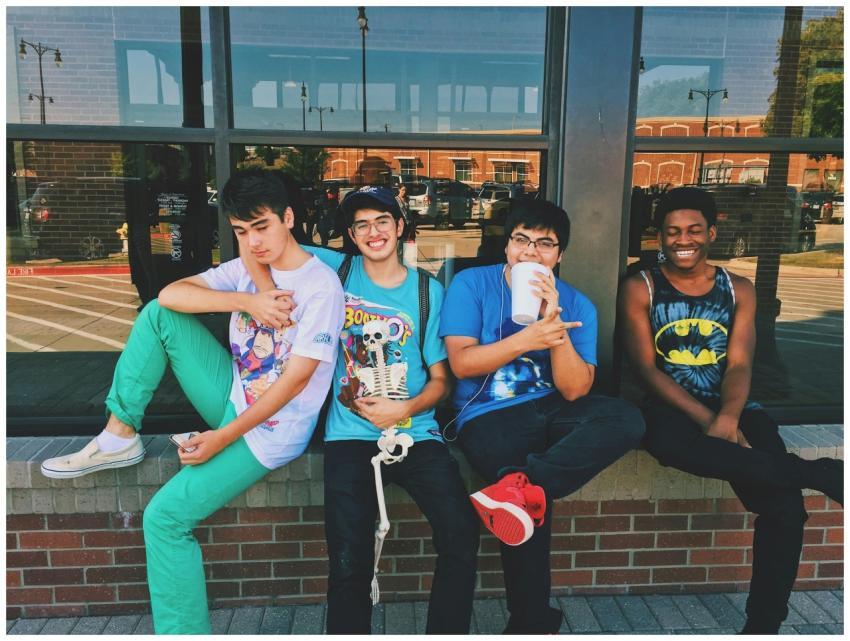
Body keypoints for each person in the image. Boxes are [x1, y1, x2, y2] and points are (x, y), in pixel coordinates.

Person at [39, 168, 345, 634]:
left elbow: (297, 381)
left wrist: (221, 438)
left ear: (288, 218)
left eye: (261, 227)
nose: (253, 241)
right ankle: (119, 434)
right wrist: (249, 301)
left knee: (164, 519)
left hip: (271, 430)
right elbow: (170, 294)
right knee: (158, 314)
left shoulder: (320, 286)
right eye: (241, 231)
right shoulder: (247, 269)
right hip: (231, 393)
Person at [246, 185, 479, 634]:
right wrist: (262, 296)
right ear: (351, 236)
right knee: (348, 558)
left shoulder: (428, 291)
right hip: (350, 436)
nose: (374, 232)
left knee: (460, 533)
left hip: (415, 432)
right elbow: (262, 248)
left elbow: (442, 380)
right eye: (362, 225)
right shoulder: (334, 270)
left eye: (382, 221)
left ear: (400, 226)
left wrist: (404, 408)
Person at [618, 186, 843, 635]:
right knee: (666, 442)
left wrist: (729, 415)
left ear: (711, 233)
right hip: (669, 406)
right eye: (673, 231)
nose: (683, 239)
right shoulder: (641, 287)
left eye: (694, 229)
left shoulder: (738, 289)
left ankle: (763, 626)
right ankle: (818, 473)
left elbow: (740, 364)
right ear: (660, 237)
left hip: (736, 404)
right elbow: (646, 369)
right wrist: (709, 420)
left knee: (785, 510)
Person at [439, 197, 645, 634]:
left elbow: (575, 390)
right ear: (507, 246)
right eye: (521, 240)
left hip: (552, 406)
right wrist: (526, 338)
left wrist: (555, 330)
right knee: (530, 500)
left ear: (559, 254)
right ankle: (531, 623)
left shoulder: (577, 305)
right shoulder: (471, 284)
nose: (531, 252)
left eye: (544, 244)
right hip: (486, 413)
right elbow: (461, 364)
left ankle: (518, 491)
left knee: (625, 419)